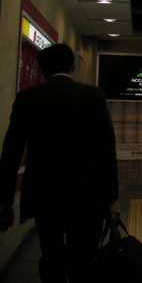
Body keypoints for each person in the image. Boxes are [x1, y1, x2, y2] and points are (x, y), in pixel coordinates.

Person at [0, 43, 120, 283]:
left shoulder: (27, 98)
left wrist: (5, 200)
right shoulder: (93, 95)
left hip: (44, 195)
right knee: (83, 260)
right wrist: (111, 198)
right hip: (86, 194)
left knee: (51, 255)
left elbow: (11, 151)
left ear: (42, 69)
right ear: (73, 66)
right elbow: (106, 150)